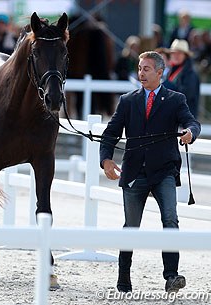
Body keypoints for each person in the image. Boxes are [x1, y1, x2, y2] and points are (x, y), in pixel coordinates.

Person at [99, 51, 201, 293]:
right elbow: (110, 133)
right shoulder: (127, 100)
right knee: (130, 226)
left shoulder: (176, 100)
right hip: (134, 172)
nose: (141, 73)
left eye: (146, 69)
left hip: (164, 171)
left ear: (159, 72)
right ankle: (123, 279)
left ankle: (172, 276)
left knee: (170, 220)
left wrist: (190, 133)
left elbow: (192, 122)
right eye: (139, 68)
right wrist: (105, 160)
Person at [168, 39, 200, 118]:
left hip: (185, 120)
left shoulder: (190, 74)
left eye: (179, 53)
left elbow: (186, 95)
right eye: (174, 53)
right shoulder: (171, 70)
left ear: (185, 56)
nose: (176, 55)